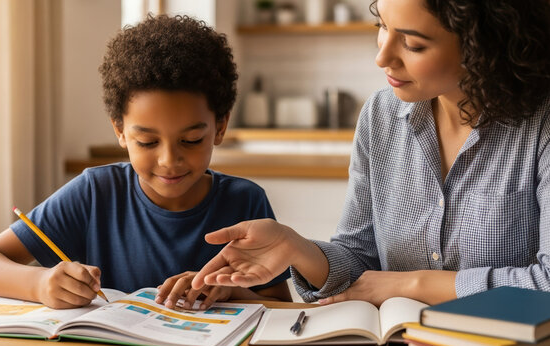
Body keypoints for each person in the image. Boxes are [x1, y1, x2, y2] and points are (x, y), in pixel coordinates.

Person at [191, 0, 550, 307]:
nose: (382, 57)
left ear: (482, 46)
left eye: (412, 43)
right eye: (382, 25)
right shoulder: (381, 115)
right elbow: (358, 260)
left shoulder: (541, 125)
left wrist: (411, 284)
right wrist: (295, 247)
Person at [0, 15, 291, 309]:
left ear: (220, 126)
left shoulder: (245, 201)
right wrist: (40, 283)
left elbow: (279, 305)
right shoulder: (95, 193)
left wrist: (230, 292)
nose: (168, 160)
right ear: (120, 131)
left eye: (190, 140)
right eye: (147, 141)